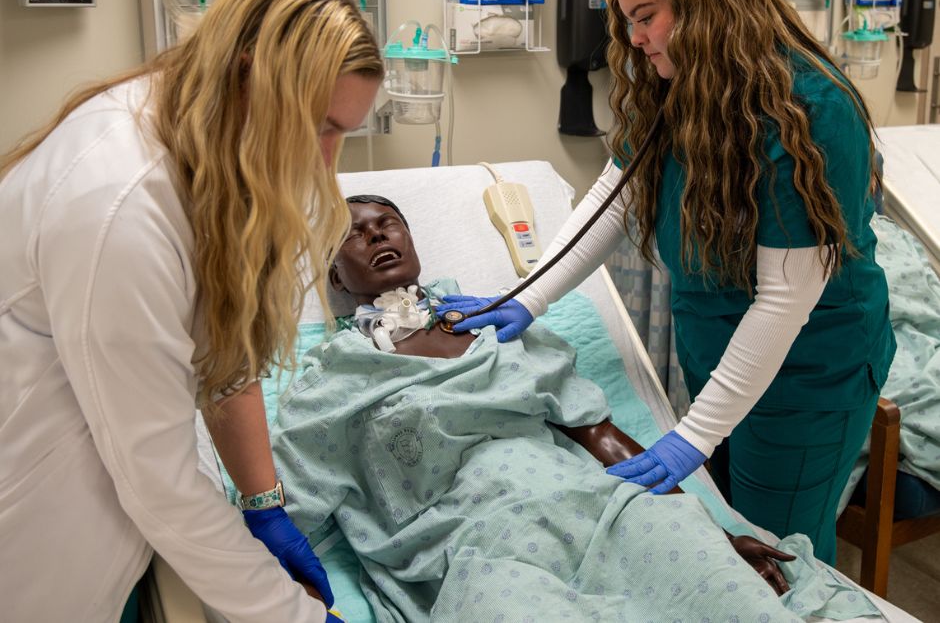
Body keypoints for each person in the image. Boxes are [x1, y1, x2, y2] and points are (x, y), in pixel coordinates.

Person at [440, 0, 896, 566]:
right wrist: (527, 297)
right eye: (626, 19)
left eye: (646, 15)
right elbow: (614, 196)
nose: (635, 37)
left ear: (707, 5)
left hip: (807, 371)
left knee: (775, 551)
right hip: (720, 347)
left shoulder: (811, 110)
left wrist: (693, 437)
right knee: (730, 527)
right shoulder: (677, 85)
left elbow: (783, 301)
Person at [267, 195, 867, 622]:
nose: (376, 235)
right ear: (335, 277)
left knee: (722, 594)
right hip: (477, 545)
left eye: (389, 223)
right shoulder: (334, 376)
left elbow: (599, 435)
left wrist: (716, 530)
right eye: (354, 232)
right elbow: (293, 508)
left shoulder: (497, 325)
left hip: (599, 507)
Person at [0, 0, 382, 622]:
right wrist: (300, 618)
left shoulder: (205, 137)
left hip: (106, 507)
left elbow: (221, 348)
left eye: (344, 132)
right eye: (320, 125)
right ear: (248, 78)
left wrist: (263, 503)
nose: (326, 162)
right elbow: (160, 486)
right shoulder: (119, 211)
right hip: (40, 536)